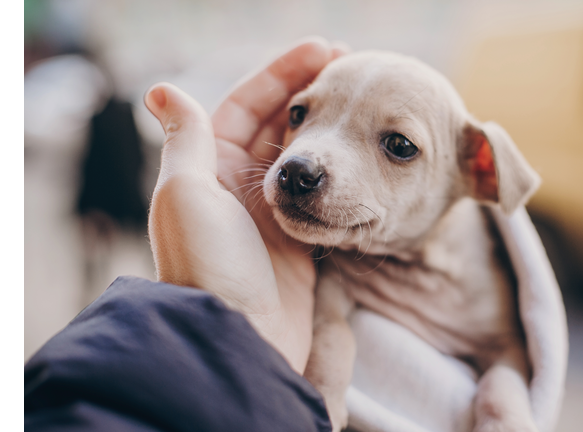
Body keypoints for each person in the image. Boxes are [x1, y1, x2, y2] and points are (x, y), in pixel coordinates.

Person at [25, 37, 349, 432]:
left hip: (102, 202)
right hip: (111, 202)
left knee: (103, 250)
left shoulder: (106, 111)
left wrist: (208, 317)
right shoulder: (111, 111)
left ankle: (91, 281)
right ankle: (93, 280)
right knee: (108, 251)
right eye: (298, 114)